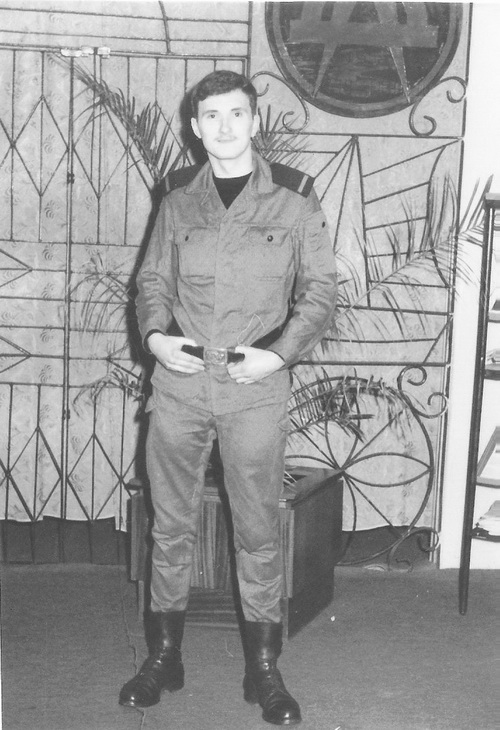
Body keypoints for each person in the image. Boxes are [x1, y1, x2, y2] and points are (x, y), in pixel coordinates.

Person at [119, 70, 337, 726]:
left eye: (235, 114)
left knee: (258, 530)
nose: (223, 127)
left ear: (254, 120)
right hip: (180, 388)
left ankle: (263, 668)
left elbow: (320, 292)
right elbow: (152, 281)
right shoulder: (176, 197)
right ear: (194, 126)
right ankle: (164, 657)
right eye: (210, 115)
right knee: (170, 526)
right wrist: (156, 339)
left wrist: (279, 354)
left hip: (255, 390)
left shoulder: (295, 198)